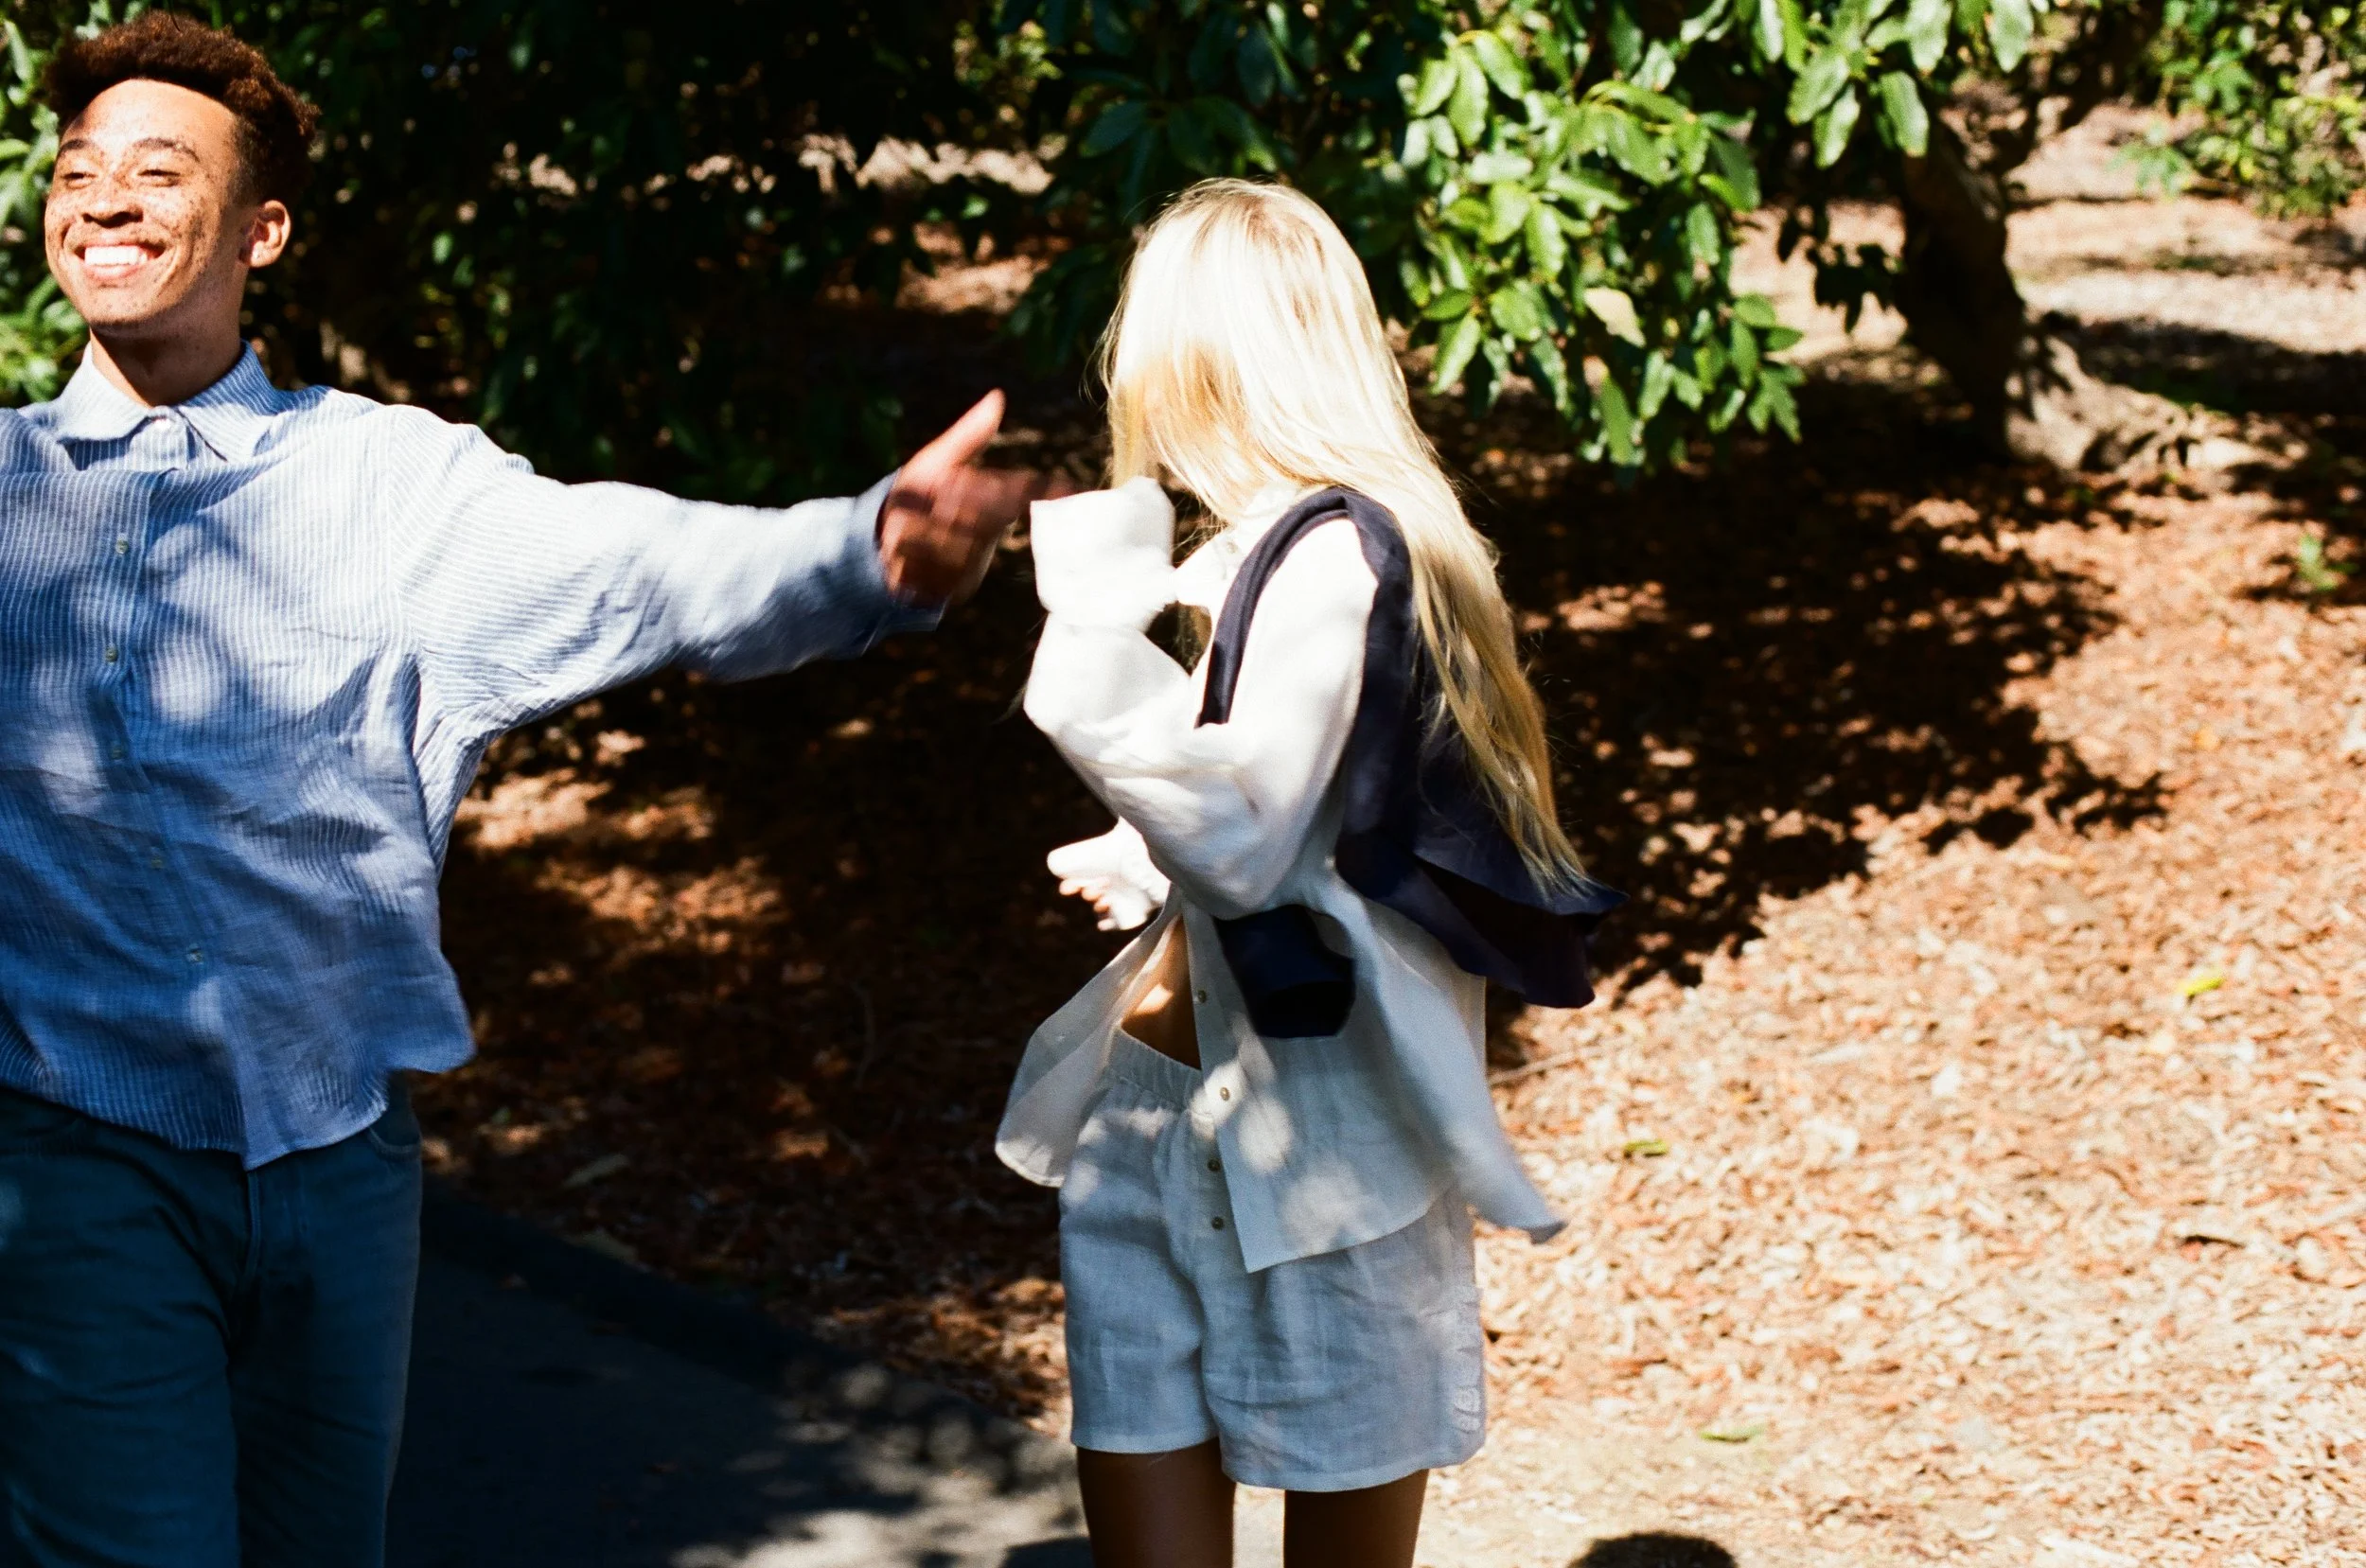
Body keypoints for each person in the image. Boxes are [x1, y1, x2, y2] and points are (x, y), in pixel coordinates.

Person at [0, 15, 1044, 1568]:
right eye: (81, 176)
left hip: (339, 1161)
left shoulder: (394, 488)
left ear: (262, 230)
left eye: (162, 174)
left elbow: (639, 564)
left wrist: (857, 548)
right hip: (74, 1163)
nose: (108, 204)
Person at [1000, 180, 1621, 1568]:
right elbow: (1290, 811)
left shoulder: (1342, 554)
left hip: (1325, 1145)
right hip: (1155, 1111)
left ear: (1201, 353)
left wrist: (1090, 637)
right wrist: (1136, 840)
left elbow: (1243, 831)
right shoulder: (1261, 549)